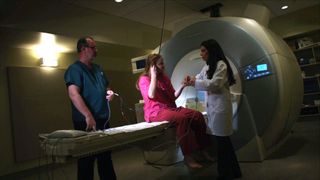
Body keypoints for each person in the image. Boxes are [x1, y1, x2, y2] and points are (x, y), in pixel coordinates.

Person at [137, 53, 211, 168]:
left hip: (170, 108)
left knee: (197, 115)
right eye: (161, 64)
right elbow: (151, 95)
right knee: (181, 119)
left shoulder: (165, 78)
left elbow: (173, 96)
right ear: (153, 66)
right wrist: (154, 76)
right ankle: (188, 157)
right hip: (155, 112)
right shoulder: (144, 79)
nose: (163, 66)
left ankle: (202, 150)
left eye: (163, 63)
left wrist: (183, 85)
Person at [188, 39, 242, 179]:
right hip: (213, 109)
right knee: (224, 143)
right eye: (201, 51)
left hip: (220, 109)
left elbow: (214, 84)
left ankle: (224, 174)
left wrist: (195, 82)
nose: (201, 54)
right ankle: (234, 172)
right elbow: (199, 78)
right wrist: (191, 79)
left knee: (222, 144)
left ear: (212, 51)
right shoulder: (207, 67)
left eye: (203, 50)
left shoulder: (221, 65)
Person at [64, 36, 117, 180]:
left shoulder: (98, 69)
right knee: (86, 162)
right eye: (93, 47)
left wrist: (109, 93)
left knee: (105, 158)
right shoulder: (74, 69)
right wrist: (88, 115)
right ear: (83, 49)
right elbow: (73, 94)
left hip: (102, 120)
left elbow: (106, 87)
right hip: (86, 122)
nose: (96, 50)